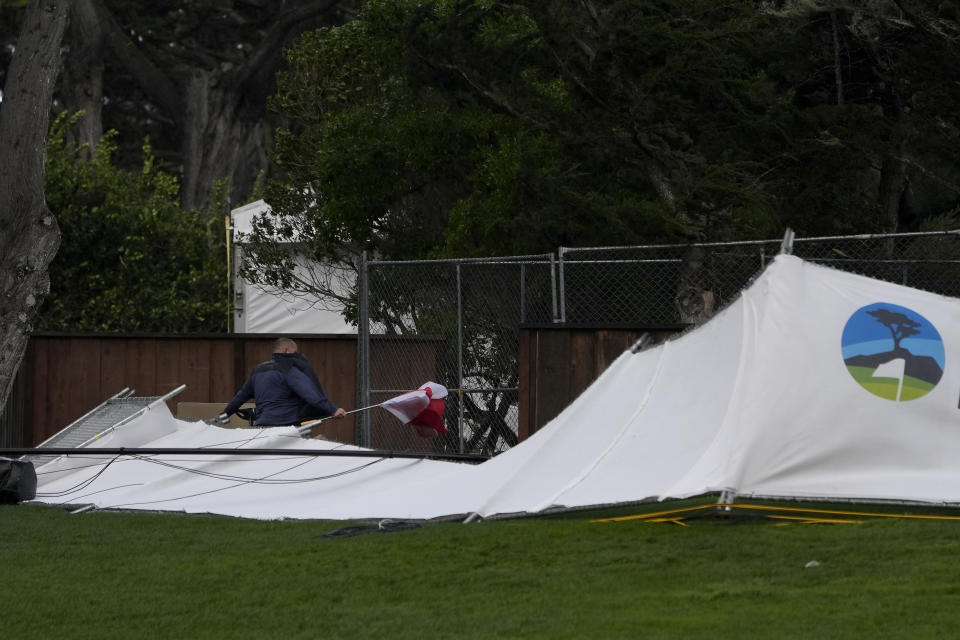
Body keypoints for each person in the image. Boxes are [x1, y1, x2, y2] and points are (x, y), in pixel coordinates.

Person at [221, 337, 347, 426]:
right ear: (286, 351)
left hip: (262, 426)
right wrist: (333, 410)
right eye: (295, 352)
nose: (297, 355)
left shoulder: (257, 371)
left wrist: (223, 415)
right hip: (286, 427)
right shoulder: (289, 369)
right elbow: (310, 393)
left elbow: (239, 397)